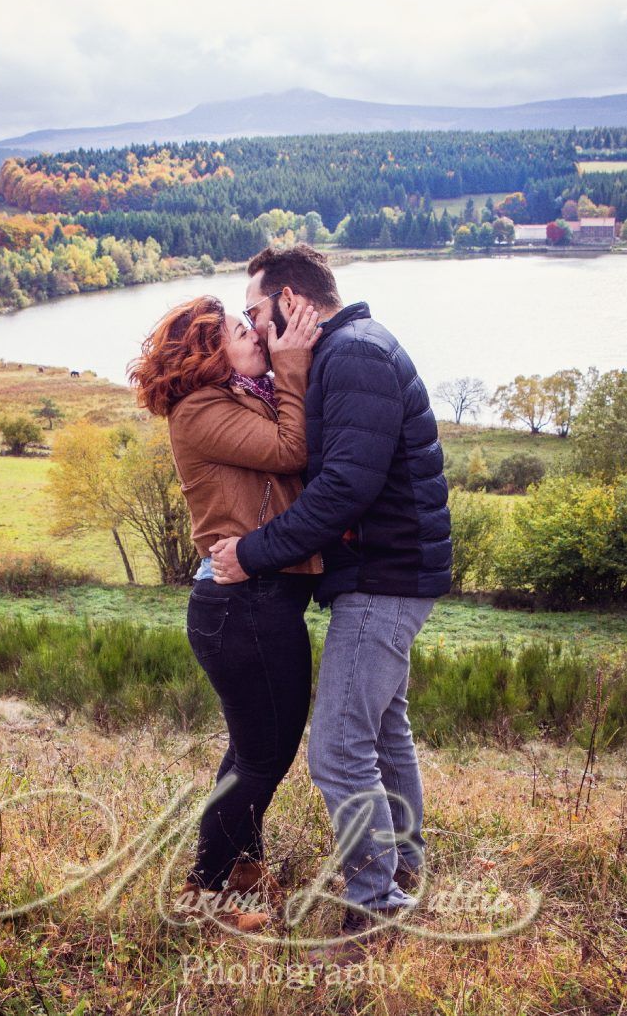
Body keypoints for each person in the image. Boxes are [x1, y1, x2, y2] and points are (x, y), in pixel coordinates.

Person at [209, 244, 452, 963]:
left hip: (383, 576)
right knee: (382, 732)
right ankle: (403, 866)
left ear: (291, 301)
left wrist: (248, 552)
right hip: (388, 570)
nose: (251, 326)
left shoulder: (351, 356)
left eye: (255, 311)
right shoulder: (350, 349)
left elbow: (345, 487)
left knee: (337, 751)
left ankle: (375, 907)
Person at [126, 293, 322, 933]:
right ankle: (204, 891)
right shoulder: (201, 410)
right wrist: (292, 363)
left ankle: (238, 872)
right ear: (212, 351)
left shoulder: (236, 396)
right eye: (244, 329)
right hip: (243, 606)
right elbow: (292, 449)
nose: (258, 333)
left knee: (251, 751)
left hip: (254, 601)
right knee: (265, 757)